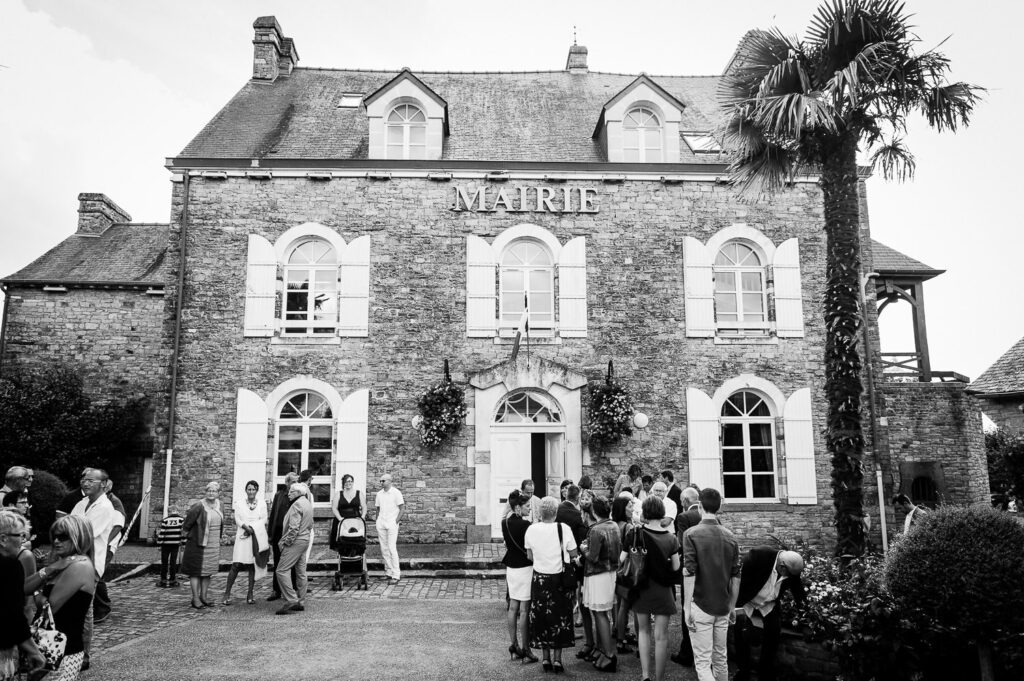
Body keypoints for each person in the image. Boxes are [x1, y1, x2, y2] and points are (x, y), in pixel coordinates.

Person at [23, 515, 97, 681]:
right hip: (50, 647)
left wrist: (39, 590)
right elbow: (25, 588)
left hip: (63, 651)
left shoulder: (80, 565)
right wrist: (49, 570)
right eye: (54, 536)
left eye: (63, 537)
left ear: (79, 536)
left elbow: (48, 607)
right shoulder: (62, 563)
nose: (56, 541)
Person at [682, 488, 740, 681]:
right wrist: (732, 606)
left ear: (699, 506)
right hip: (723, 605)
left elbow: (689, 571)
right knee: (721, 659)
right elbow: (736, 575)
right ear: (719, 507)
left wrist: (686, 607)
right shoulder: (730, 536)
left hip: (701, 604)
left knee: (703, 662)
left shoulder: (691, 534)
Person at [623, 496, 680, 681]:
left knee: (644, 631)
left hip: (641, 587)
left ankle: (645, 675)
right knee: (661, 636)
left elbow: (621, 561)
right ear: (661, 512)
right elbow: (676, 568)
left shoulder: (634, 534)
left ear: (645, 513)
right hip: (663, 589)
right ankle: (659, 678)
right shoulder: (671, 538)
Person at [734, 547, 806, 681]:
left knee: (774, 630)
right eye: (789, 575)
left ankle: (765, 671)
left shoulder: (791, 568)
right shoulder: (756, 557)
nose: (790, 578)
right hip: (747, 601)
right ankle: (743, 671)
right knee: (741, 631)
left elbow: (798, 591)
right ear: (782, 566)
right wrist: (737, 607)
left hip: (768, 604)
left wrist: (806, 615)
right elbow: (739, 583)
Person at [524, 496, 578, 673]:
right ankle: (557, 660)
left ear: (540, 512)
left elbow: (530, 556)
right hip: (559, 578)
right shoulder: (564, 528)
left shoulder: (531, 530)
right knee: (560, 617)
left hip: (540, 579)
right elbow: (573, 552)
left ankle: (545, 658)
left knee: (542, 618)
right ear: (556, 512)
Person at [0, 510, 45, 680]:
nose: (23, 541)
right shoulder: (10, 566)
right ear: (4, 539)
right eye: (21, 535)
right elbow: (12, 615)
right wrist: (35, 652)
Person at [580, 495, 621, 671]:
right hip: (611, 572)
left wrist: (584, 549)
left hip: (598, 574)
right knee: (602, 613)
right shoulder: (614, 526)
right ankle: (603, 649)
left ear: (595, 512)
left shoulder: (596, 530)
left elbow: (593, 557)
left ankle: (610, 655)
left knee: (600, 614)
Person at [501, 490, 537, 663]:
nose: (530, 509)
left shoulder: (504, 522)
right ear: (518, 507)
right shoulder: (526, 526)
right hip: (524, 568)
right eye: (527, 506)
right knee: (524, 610)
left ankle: (513, 645)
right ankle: (526, 648)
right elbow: (531, 551)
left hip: (511, 568)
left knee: (512, 607)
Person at [671, 485, 703, 667]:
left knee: (687, 608)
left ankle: (686, 653)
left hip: (690, 568)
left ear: (684, 501)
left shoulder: (684, 517)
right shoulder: (708, 514)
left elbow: (682, 543)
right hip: (706, 569)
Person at [556, 485, 590, 654]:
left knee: (563, 592)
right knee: (576, 589)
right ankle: (572, 627)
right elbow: (582, 538)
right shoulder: (578, 516)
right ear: (577, 499)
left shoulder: (558, 509)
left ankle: (564, 626)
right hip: (573, 557)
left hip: (557, 556)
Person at [223, 480, 268, 605]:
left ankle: (250, 593)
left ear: (257, 490)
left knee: (252, 565)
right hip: (242, 536)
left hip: (255, 536)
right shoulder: (239, 503)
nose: (251, 492)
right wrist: (245, 527)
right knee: (236, 564)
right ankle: (227, 593)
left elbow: (264, 519)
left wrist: (253, 528)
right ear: (246, 490)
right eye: (249, 489)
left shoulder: (262, 504)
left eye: (253, 489)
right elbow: (237, 518)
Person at [181, 481, 224, 609]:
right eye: (209, 491)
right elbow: (187, 524)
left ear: (218, 493)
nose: (211, 493)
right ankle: (195, 598)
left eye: (214, 491)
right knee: (195, 571)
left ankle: (204, 597)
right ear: (205, 492)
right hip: (198, 543)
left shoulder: (220, 505)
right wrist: (185, 537)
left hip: (213, 544)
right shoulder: (198, 506)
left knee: (207, 572)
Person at [275, 482, 313, 615]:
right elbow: (310, 524)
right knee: (301, 571)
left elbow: (294, 528)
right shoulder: (307, 503)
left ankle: (291, 599)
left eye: (291, 491)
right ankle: (301, 601)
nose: (289, 494)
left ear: (298, 493)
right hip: (304, 540)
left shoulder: (297, 505)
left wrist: (287, 542)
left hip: (296, 541)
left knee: (281, 570)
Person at [91, 478, 125, 624]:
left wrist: (106, 543)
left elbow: (118, 525)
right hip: (95, 543)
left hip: (106, 545)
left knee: (97, 574)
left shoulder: (113, 501)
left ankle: (103, 607)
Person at [266, 472, 299, 601]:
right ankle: (276, 590)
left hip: (291, 533)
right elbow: (273, 514)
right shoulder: (279, 495)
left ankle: (292, 589)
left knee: (292, 562)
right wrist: (270, 534)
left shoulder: (298, 496)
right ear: (287, 483)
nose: (294, 484)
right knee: (278, 562)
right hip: (278, 533)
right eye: (292, 482)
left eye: (297, 482)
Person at [611, 493, 636, 654]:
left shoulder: (613, 525)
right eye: (629, 506)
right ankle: (621, 639)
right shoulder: (628, 528)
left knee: (620, 605)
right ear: (622, 509)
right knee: (624, 606)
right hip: (627, 569)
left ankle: (619, 632)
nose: (633, 508)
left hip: (616, 569)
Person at [370, 473, 404, 584]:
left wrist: (396, 521)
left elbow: (402, 508)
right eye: (380, 481)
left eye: (383, 481)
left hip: (392, 523)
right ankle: (388, 572)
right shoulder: (379, 494)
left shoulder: (396, 493)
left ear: (390, 481)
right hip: (382, 523)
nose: (381, 483)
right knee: (384, 549)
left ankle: (396, 574)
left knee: (391, 548)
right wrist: (377, 521)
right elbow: (378, 509)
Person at [329, 474, 364, 566]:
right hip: (342, 522)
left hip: (355, 522)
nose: (349, 483)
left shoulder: (359, 493)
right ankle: (343, 566)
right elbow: (334, 508)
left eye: (350, 481)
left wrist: (362, 518)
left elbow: (364, 507)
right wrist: (340, 518)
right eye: (347, 481)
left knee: (356, 543)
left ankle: (358, 565)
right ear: (343, 483)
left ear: (353, 482)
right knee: (343, 543)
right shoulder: (338, 494)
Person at [155, 506, 185, 587]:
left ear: (169, 511)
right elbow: (183, 533)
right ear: (178, 511)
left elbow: (162, 533)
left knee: (164, 562)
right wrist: (183, 543)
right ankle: (172, 579)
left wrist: (159, 544)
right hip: (175, 544)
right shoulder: (181, 520)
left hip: (165, 544)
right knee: (173, 562)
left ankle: (163, 579)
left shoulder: (165, 520)